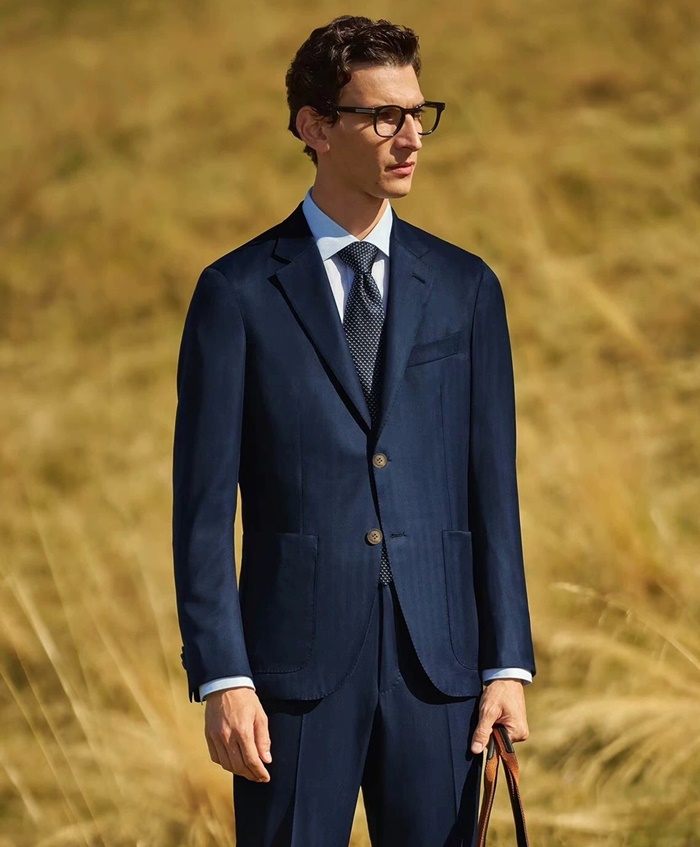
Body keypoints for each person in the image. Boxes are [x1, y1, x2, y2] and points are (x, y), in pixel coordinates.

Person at [172, 14, 536, 847]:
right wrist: (223, 676)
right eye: (383, 116)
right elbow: (201, 511)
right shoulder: (236, 294)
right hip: (288, 679)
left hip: (441, 672)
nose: (411, 137)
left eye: (419, 113)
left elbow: (493, 491)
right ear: (315, 127)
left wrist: (506, 663)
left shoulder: (467, 287)